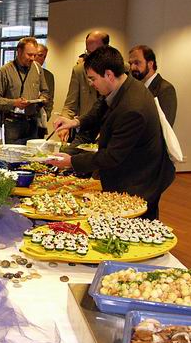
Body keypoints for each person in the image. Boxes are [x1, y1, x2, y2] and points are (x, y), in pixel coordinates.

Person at [48, 46, 175, 220]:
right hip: (130, 173)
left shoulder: (133, 108)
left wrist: (71, 161)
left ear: (108, 74)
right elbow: (100, 108)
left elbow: (112, 156)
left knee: (134, 228)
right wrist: (75, 122)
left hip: (139, 180)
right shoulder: (124, 85)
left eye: (93, 79)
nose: (91, 84)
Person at [0, 37, 50, 145]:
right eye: (29, 55)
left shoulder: (37, 68)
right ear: (19, 52)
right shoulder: (4, 71)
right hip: (13, 122)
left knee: (31, 154)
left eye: (34, 55)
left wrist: (42, 99)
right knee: (14, 153)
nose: (32, 58)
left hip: (33, 121)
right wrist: (14, 103)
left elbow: (45, 91)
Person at [59, 31, 109, 144]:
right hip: (86, 131)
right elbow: (70, 104)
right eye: (88, 52)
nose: (91, 58)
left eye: (95, 53)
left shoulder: (120, 69)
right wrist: (65, 124)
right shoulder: (79, 70)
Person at [128, 44, 177, 126]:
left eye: (137, 63)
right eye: (130, 64)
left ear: (150, 64)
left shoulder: (165, 89)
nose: (132, 67)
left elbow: (165, 127)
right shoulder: (134, 88)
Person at [35, 44, 55, 138]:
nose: (42, 59)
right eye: (40, 55)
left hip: (40, 119)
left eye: (44, 56)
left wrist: (47, 114)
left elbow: (50, 98)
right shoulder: (22, 72)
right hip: (22, 119)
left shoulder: (48, 76)